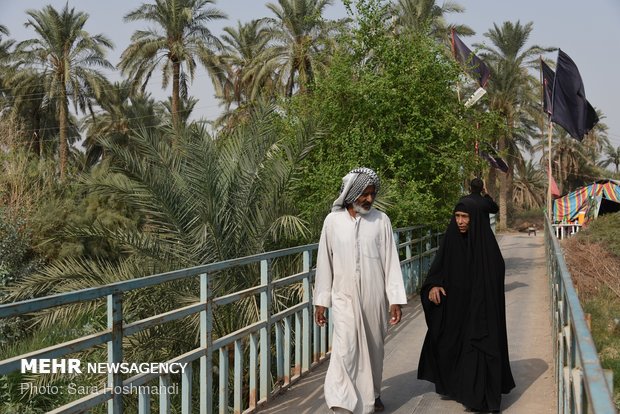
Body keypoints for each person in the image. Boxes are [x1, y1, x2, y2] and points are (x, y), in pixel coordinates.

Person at [314, 167, 407, 414]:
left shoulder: (381, 220)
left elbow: (390, 261)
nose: (369, 199)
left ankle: (374, 394)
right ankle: (340, 400)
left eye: (372, 194)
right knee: (345, 349)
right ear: (351, 193)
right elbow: (325, 262)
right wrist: (321, 301)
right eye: (364, 194)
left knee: (375, 350)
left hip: (375, 297)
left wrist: (395, 299)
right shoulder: (332, 222)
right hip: (343, 297)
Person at [417, 197, 515, 412]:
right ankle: (460, 387)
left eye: (465, 217)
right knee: (449, 344)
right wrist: (434, 285)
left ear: (475, 219)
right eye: (457, 217)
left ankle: (480, 397)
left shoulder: (487, 248)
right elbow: (437, 270)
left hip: (481, 311)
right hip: (456, 308)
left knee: (479, 349)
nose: (460, 221)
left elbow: (495, 276)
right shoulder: (451, 240)